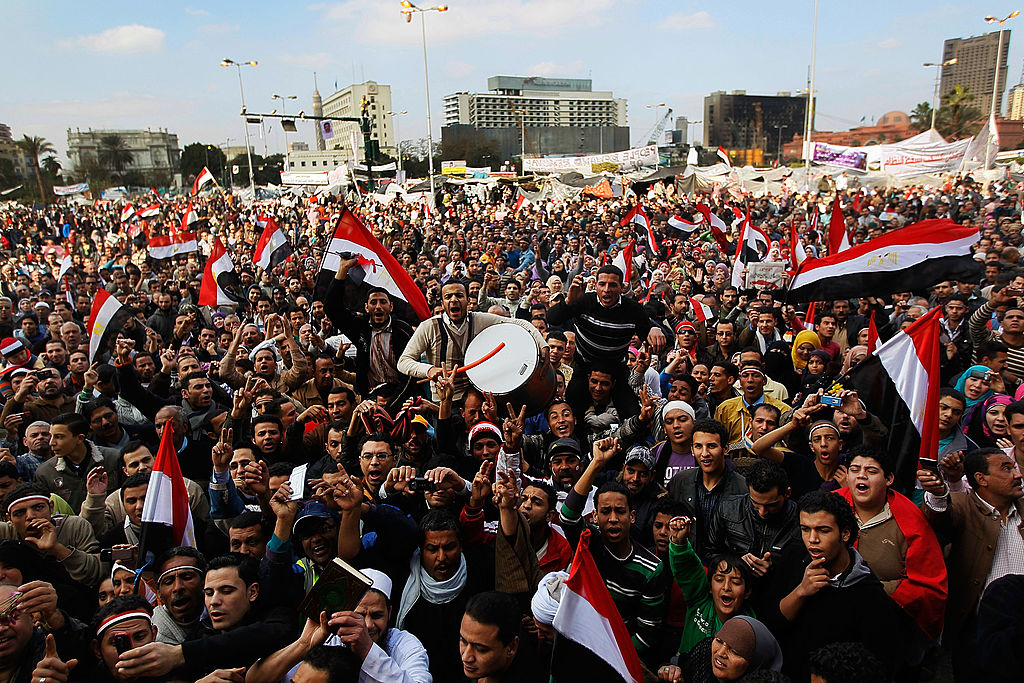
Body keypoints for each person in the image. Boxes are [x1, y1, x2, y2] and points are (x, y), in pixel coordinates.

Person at [761, 491, 907, 680]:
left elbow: (878, 666)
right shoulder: (794, 557)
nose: (812, 539)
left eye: (823, 530)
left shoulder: (870, 596)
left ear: (845, 533)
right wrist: (801, 592)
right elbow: (768, 625)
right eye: (805, 529)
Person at [559, 436, 669, 660]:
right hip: (578, 643)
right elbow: (568, 516)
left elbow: (647, 634)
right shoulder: (589, 544)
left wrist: (612, 656)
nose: (613, 518)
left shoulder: (651, 568)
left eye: (620, 511)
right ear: (595, 518)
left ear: (632, 516)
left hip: (619, 656)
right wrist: (596, 464)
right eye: (605, 511)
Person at [919, 447, 1024, 677]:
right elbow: (943, 513)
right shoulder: (964, 506)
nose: (1017, 475)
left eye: (1014, 467)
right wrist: (938, 492)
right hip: (976, 631)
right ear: (981, 479)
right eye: (1006, 469)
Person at [548, 264, 666, 420]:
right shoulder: (582, 300)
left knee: (631, 413)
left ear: (622, 288)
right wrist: (569, 302)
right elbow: (552, 319)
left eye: (612, 285)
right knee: (574, 408)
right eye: (602, 284)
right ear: (595, 285)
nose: (606, 289)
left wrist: (654, 329)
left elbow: (651, 334)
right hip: (585, 366)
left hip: (616, 368)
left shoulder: (633, 309)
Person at [397, 280, 547, 401]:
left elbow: (520, 323)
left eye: (459, 295)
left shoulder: (480, 319)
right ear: (442, 304)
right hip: (444, 399)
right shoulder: (429, 326)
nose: (454, 300)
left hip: (478, 396)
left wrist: (543, 345)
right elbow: (403, 362)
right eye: (448, 297)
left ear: (468, 300)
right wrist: (428, 370)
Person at [667, 420, 747, 558]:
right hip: (689, 562)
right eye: (698, 446)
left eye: (711, 446)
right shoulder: (680, 481)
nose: (704, 453)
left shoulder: (743, 488)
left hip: (726, 568)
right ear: (692, 449)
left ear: (725, 449)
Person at [657, 616, 783, 683]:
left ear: (755, 662)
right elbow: (675, 665)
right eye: (719, 641)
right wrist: (671, 671)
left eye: (734, 652)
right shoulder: (705, 653)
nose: (720, 653)